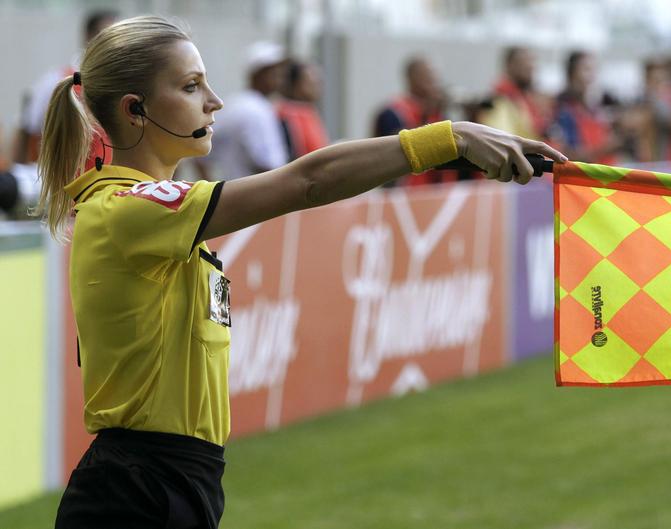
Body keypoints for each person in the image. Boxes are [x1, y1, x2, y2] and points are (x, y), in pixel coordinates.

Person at [35, 16, 564, 528]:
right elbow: (309, 181)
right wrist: (449, 139)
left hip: (175, 480)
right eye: (192, 87)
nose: (215, 101)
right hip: (138, 488)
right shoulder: (126, 209)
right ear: (136, 110)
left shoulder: (147, 211)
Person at [14, 9, 117, 166]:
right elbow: (26, 129)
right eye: (107, 36)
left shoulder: (124, 85)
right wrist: (19, 173)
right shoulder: (56, 80)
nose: (114, 44)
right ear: (88, 36)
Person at [201, 41, 289, 180]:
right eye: (274, 71)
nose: (280, 77)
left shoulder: (239, 104)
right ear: (258, 74)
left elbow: (200, 157)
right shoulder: (254, 109)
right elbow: (266, 163)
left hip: (237, 194)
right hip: (258, 196)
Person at [373, 56, 452, 185]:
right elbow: (395, 151)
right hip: (405, 193)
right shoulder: (392, 112)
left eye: (434, 76)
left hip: (436, 190)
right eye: (427, 76)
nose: (434, 81)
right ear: (411, 77)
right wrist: (426, 115)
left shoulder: (438, 111)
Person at [550, 50, 625, 165]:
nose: (592, 76)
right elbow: (564, 155)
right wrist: (605, 148)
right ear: (571, 73)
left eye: (594, 70)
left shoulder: (597, 105)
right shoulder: (561, 108)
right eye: (586, 69)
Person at [276, 59, 329, 160]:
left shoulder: (307, 111)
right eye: (310, 82)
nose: (316, 87)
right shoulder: (288, 113)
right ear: (295, 84)